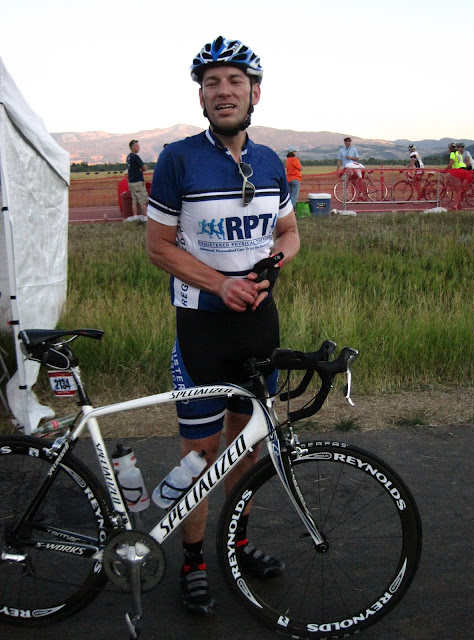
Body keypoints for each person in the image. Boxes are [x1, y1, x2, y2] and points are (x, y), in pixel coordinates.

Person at [146, 36, 300, 616]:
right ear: (202, 97)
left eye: (235, 81)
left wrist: (273, 265)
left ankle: (235, 547)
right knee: (201, 456)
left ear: (255, 92)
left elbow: (290, 232)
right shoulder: (179, 159)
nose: (224, 91)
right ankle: (192, 561)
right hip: (202, 330)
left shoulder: (270, 162)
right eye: (212, 83)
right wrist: (220, 284)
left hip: (258, 329)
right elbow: (158, 246)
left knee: (248, 450)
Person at [443, 142, 473, 210]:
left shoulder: (452, 153)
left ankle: (456, 205)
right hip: (463, 168)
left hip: (457, 170)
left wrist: (445, 170)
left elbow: (451, 163)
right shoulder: (458, 153)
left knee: (457, 190)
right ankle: (459, 204)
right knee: (460, 189)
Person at [126, 140, 149, 216]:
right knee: (143, 201)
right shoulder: (135, 157)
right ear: (132, 147)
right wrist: (141, 168)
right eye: (137, 146)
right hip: (138, 182)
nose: (139, 148)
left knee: (134, 201)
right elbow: (145, 168)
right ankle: (145, 217)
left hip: (131, 182)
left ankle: (135, 217)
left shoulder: (128, 157)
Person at [285, 146, 302, 211]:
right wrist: (298, 161)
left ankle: (286, 209)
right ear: (292, 152)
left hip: (288, 179)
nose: (296, 153)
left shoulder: (287, 160)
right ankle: (291, 210)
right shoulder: (294, 159)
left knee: (289, 195)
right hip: (295, 178)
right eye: (295, 151)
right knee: (294, 196)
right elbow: (300, 168)